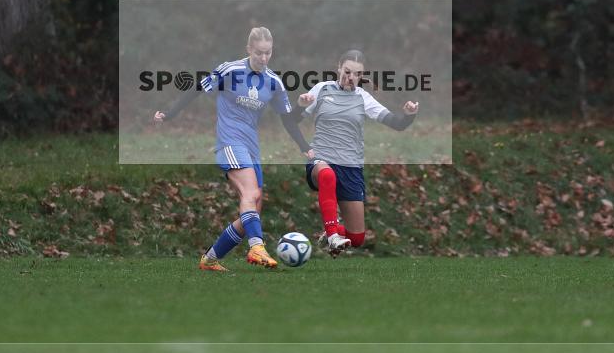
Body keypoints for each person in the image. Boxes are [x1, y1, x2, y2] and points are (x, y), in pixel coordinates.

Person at [153, 27, 312, 271]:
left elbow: (288, 119)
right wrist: (169, 114)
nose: (263, 58)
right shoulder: (230, 70)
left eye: (268, 53)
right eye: (258, 53)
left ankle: (210, 259)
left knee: (253, 207)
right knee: (250, 193)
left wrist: (304, 144)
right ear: (249, 49)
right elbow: (197, 88)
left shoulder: (274, 82)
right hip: (229, 142)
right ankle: (257, 247)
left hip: (251, 147)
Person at [296, 49, 418, 255]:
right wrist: (300, 106)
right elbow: (293, 119)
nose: (351, 77)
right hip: (322, 159)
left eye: (357, 74)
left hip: (351, 168)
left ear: (362, 75)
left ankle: (333, 232)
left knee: (357, 238)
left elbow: (397, 124)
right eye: (347, 71)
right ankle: (333, 235)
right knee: (327, 175)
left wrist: (409, 115)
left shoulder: (364, 98)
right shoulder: (321, 89)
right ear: (338, 68)